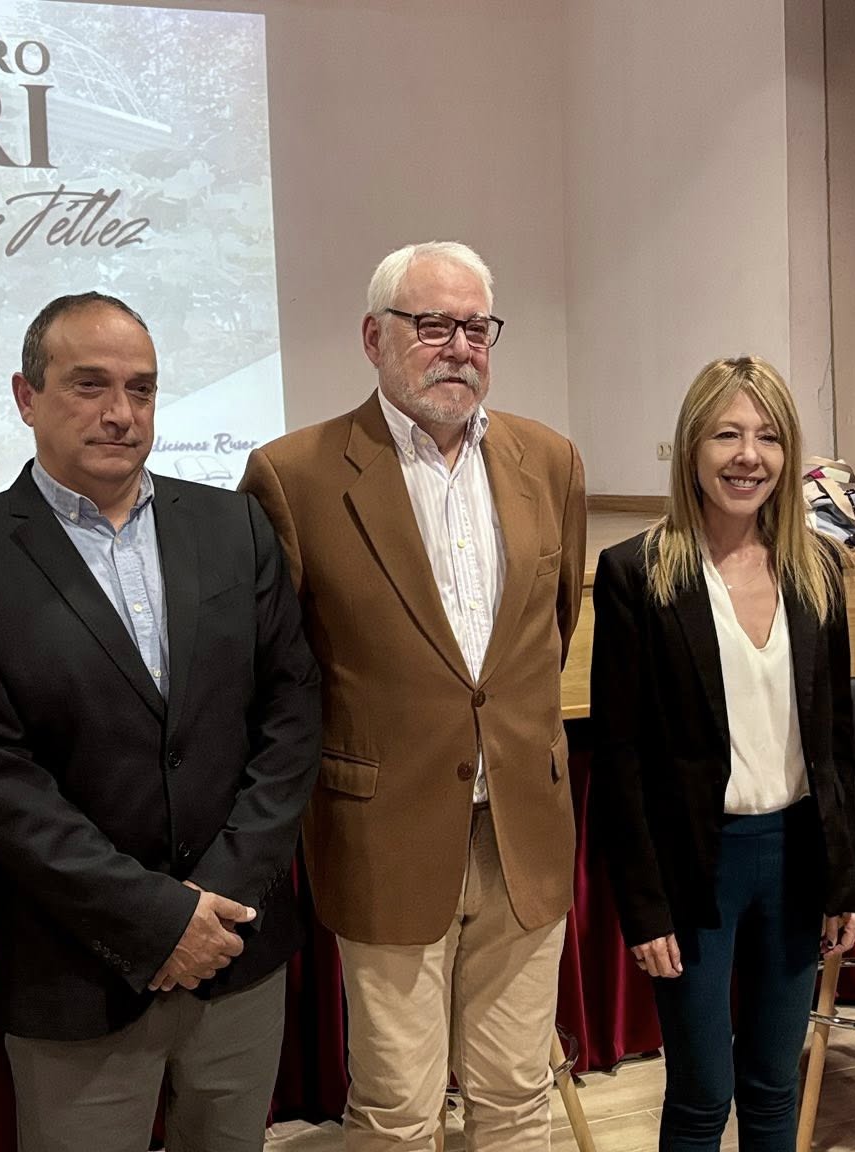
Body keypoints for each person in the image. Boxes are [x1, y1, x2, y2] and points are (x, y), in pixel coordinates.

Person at [0, 292, 321, 1152]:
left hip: (236, 953)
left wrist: (219, 901)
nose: (120, 413)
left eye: (141, 388)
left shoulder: (234, 525)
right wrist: (155, 920)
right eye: (88, 385)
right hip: (77, 968)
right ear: (26, 397)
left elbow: (290, 713)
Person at [239, 241, 586, 1152]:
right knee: (397, 1109)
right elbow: (279, 670)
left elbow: (551, 624)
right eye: (432, 324)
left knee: (519, 1097)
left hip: (522, 830)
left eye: (477, 327)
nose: (458, 347)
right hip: (382, 832)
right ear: (373, 337)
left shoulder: (549, 461)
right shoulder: (295, 475)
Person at [588, 356, 855, 1152]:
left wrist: (843, 876)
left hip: (794, 860)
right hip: (694, 871)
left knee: (776, 1088)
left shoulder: (818, 570)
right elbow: (621, 756)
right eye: (728, 434)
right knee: (704, 1094)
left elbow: (835, 741)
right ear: (692, 448)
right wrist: (644, 909)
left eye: (769, 437)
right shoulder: (636, 572)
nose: (749, 456)